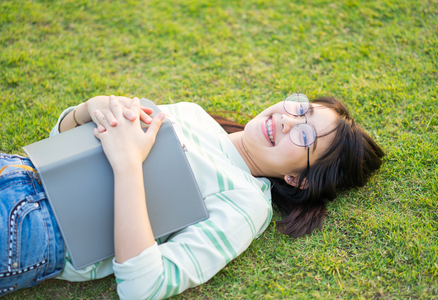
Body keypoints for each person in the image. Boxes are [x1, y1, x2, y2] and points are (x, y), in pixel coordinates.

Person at [0, 93, 384, 298]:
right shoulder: (193, 114)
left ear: (298, 180)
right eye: (301, 110)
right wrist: (89, 111)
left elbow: (144, 287)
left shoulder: (246, 204)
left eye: (304, 137)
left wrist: (129, 165)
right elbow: (57, 144)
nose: (287, 120)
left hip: (37, 227)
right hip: (16, 167)